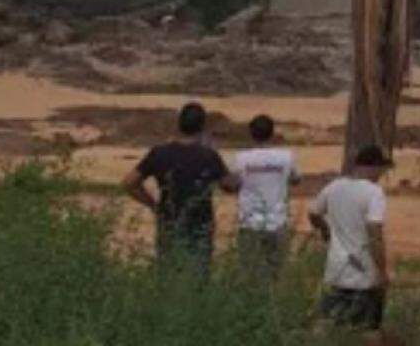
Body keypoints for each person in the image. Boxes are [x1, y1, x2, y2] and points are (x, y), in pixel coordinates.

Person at [122, 102, 238, 276]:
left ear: (179, 124)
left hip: (168, 219)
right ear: (202, 126)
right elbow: (230, 185)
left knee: (168, 272)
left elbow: (130, 183)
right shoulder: (208, 156)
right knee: (198, 277)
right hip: (200, 224)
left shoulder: (159, 153)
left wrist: (152, 204)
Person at [308, 144, 392, 336]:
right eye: (380, 169)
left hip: (336, 269)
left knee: (326, 323)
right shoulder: (373, 192)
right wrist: (382, 271)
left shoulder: (334, 187)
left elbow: (313, 213)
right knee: (369, 329)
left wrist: (326, 231)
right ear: (373, 167)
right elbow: (375, 234)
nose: (381, 174)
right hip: (364, 272)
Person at [234, 114, 300, 276]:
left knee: (249, 274)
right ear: (272, 133)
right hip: (277, 222)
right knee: (276, 274)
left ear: (251, 133)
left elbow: (232, 183)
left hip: (249, 223)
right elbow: (296, 179)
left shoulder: (241, 158)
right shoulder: (286, 157)